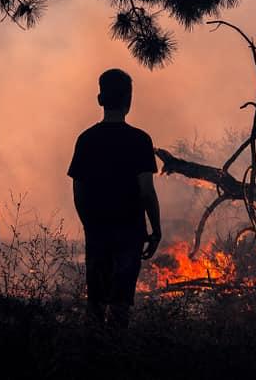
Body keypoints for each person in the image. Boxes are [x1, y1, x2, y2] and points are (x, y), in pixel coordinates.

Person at [67, 68, 162, 329]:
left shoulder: (86, 140)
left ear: (100, 99)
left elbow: (78, 191)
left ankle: (94, 359)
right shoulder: (140, 140)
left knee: (95, 302)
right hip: (130, 232)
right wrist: (156, 229)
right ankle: (117, 359)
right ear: (129, 101)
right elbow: (146, 191)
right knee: (121, 304)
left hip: (98, 230)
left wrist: (90, 224)